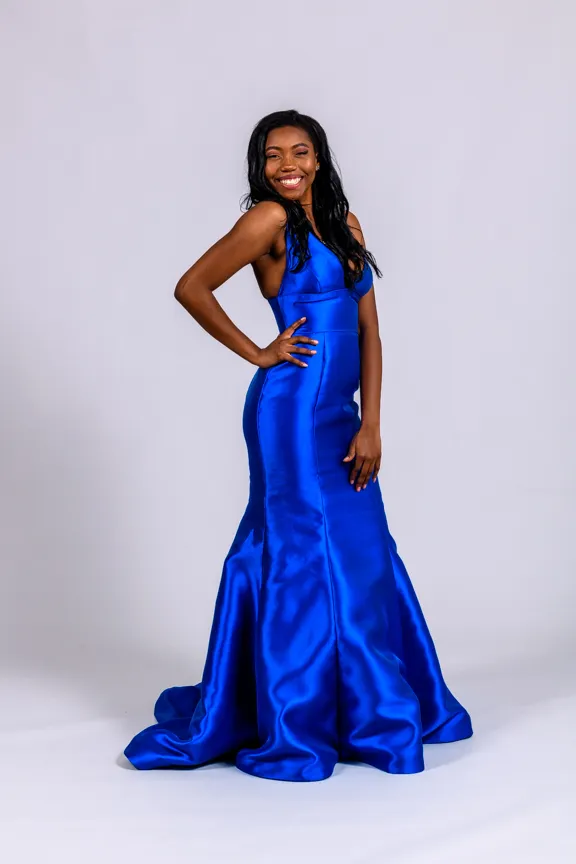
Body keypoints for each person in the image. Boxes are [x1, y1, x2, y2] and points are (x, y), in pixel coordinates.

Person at [123, 109, 473, 782]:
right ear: (261, 165)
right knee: (299, 553)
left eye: (301, 150)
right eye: (274, 153)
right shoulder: (267, 220)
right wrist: (259, 351)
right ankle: (297, 716)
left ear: (319, 158)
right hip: (288, 411)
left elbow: (370, 332)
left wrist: (372, 422)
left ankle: (361, 703)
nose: (288, 162)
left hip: (340, 415)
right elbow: (190, 287)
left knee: (362, 548)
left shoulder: (346, 225)